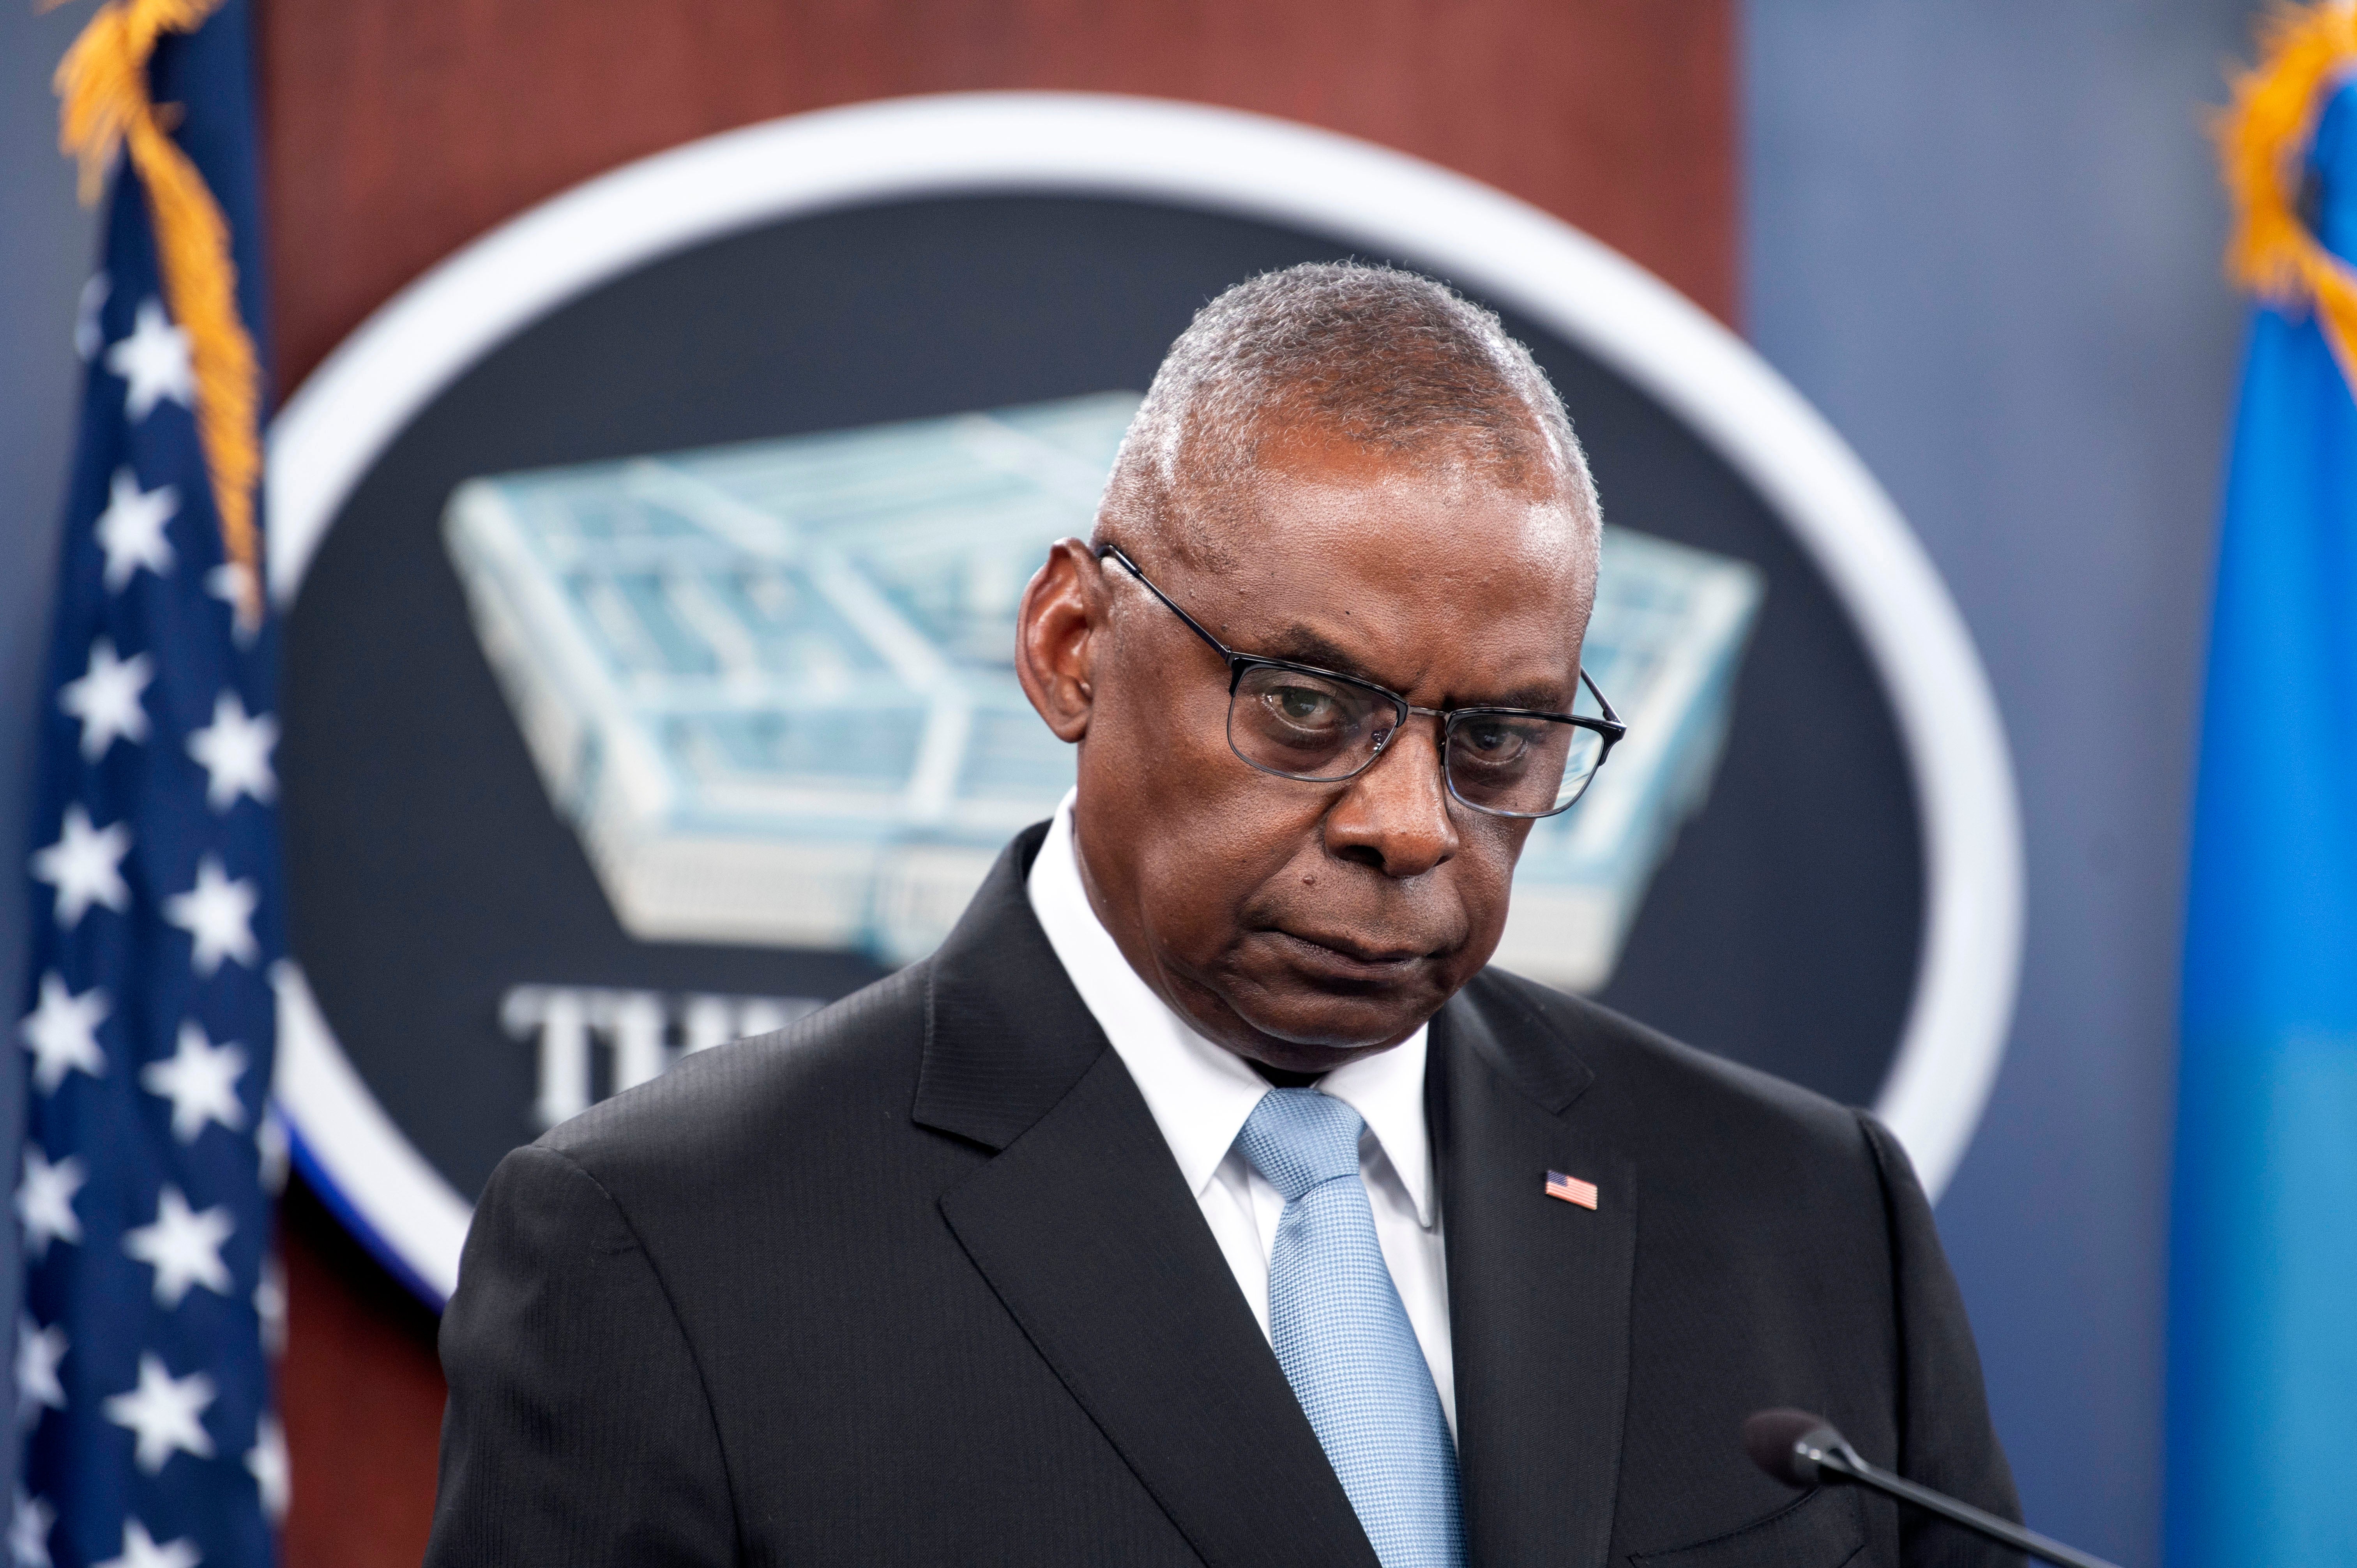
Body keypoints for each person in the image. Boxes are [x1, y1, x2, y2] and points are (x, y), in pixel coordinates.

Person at [423, 263, 2018, 1568]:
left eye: (1498, 745)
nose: (1408, 823)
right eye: (1311, 706)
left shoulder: (1803, 1213)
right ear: (1070, 645)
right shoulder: (668, 1243)